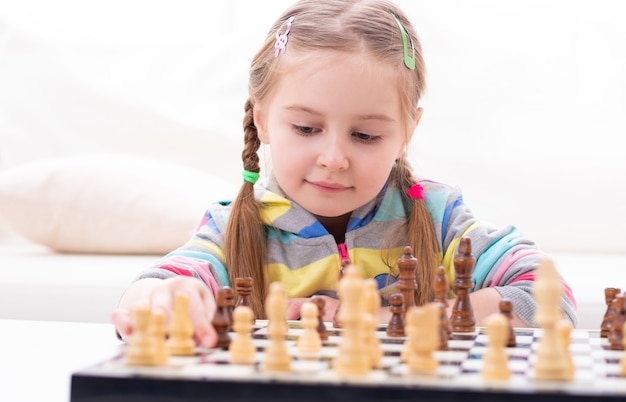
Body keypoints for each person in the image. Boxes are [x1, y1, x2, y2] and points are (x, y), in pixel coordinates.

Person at [112, 0, 577, 347]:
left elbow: (549, 297)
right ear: (261, 120)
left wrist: (382, 316)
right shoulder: (232, 228)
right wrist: (164, 298)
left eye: (366, 136)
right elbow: (153, 289)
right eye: (307, 128)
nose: (334, 157)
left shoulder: (440, 219)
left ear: (407, 131)